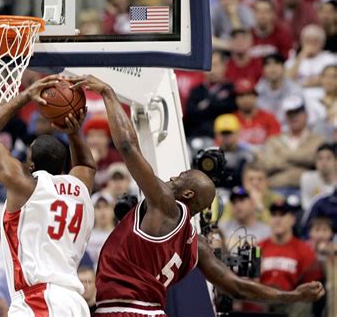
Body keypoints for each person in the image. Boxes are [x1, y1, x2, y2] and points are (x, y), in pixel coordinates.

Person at [68, 74, 325, 316]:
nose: (170, 178)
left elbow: (126, 146)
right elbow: (236, 287)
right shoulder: (196, 243)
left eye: (178, 178)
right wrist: (292, 296)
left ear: (187, 194)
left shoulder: (167, 205)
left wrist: (108, 92)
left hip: (124, 309)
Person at [0, 75, 96, 315]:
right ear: (62, 166)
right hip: (74, 302)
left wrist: (26, 96)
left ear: (29, 167)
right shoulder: (80, 187)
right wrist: (74, 132)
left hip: (40, 299)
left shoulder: (26, 187)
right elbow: (87, 165)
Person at [259, 201, 324, 316]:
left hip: (291, 302)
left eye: (282, 215)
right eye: (274, 215)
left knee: (304, 303)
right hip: (262, 299)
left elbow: (313, 287)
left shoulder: (304, 250)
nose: (277, 219)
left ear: (292, 220)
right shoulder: (258, 247)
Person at [259, 96, 326, 193]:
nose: (294, 117)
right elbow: (267, 164)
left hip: (306, 188)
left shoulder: (318, 140)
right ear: (285, 116)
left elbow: (313, 159)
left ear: (306, 114)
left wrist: (283, 155)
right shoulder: (273, 140)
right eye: (290, 114)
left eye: (297, 113)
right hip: (277, 187)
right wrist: (301, 162)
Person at [185, 50, 236, 141]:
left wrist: (206, 106)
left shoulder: (231, 88)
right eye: (208, 65)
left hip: (221, 138)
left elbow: (227, 108)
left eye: (215, 65)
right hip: (196, 136)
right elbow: (191, 113)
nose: (211, 70)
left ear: (224, 67)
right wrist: (214, 104)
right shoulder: (196, 91)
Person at [256, 53, 304, 130]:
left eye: (276, 64)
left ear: (283, 68)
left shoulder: (294, 90)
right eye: (268, 65)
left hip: (288, 130)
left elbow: (299, 118)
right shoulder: (258, 90)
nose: (272, 68)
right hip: (265, 131)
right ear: (263, 70)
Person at [233, 79, 281, 150]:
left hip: (264, 157)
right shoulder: (230, 119)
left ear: (255, 97)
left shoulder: (269, 118)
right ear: (235, 99)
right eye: (241, 95)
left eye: (249, 94)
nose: (245, 99)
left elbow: (276, 142)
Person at [214, 113, 255, 188]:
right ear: (217, 135)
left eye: (230, 133)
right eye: (223, 133)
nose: (226, 137)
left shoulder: (246, 154)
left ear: (237, 133)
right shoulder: (212, 155)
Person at [300, 143, 336, 213]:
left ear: (335, 161)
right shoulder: (307, 178)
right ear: (315, 162)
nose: (324, 162)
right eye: (320, 158)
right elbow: (306, 206)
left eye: (328, 158)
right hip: (315, 217)